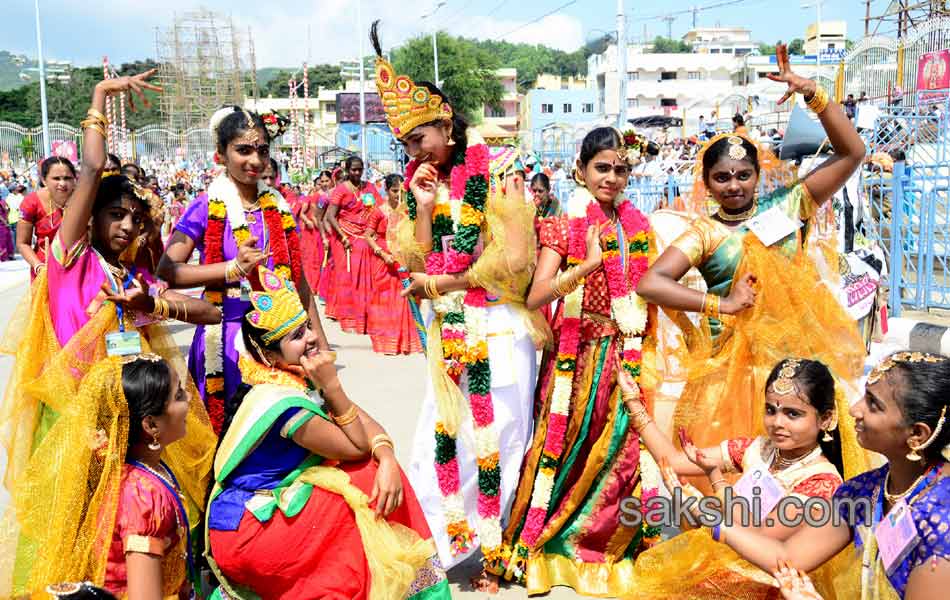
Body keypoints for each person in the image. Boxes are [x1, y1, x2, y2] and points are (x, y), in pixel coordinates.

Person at [0, 69, 217, 596]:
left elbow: (208, 315)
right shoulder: (71, 261)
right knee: (68, 531)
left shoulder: (129, 278)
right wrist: (100, 96)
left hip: (131, 419)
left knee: (125, 530)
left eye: (136, 220)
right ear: (88, 216)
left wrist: (155, 302)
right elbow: (93, 165)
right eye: (115, 214)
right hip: (75, 421)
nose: (125, 226)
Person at [371, 22, 548, 590]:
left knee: (500, 438)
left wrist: (447, 285)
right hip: (449, 331)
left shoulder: (495, 172)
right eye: (404, 146)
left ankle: (491, 549)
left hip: (499, 322)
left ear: (446, 122)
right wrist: (423, 205)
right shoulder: (421, 183)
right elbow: (418, 259)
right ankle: (443, 548)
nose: (414, 153)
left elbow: (516, 261)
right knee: (438, 442)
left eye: (419, 140)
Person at [635, 45, 869, 472]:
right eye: (721, 177)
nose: (734, 185)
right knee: (735, 487)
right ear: (706, 183)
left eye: (743, 175)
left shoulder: (789, 206)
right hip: (730, 380)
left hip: (796, 370)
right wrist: (722, 305)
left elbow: (853, 153)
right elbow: (651, 283)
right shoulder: (704, 233)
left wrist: (813, 93)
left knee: (806, 479)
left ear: (758, 176)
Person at [204, 267, 451, 599]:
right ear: (269, 356)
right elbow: (356, 446)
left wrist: (389, 456)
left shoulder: (287, 377)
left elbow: (365, 424)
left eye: (306, 326)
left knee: (379, 474)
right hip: (249, 531)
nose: (311, 338)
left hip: (258, 516)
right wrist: (332, 385)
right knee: (365, 482)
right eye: (296, 337)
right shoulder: (284, 404)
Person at [492, 127, 658, 595]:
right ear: (581, 171)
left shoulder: (639, 227)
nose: (611, 177)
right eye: (601, 167)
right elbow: (536, 295)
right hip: (578, 355)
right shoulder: (565, 227)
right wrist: (584, 267)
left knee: (620, 456)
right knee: (563, 450)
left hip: (625, 354)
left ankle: (609, 547)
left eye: (620, 169)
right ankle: (544, 546)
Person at [712, 351, 950, 600]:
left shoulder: (942, 520)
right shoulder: (866, 490)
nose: (854, 410)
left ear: (917, 434)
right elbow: (789, 557)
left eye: (873, 404)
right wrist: (714, 523)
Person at [157, 105, 330, 434]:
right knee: (232, 433)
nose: (255, 160)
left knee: (285, 431)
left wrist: (318, 342)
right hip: (228, 338)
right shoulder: (207, 205)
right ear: (220, 155)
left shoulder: (277, 206)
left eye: (262, 150)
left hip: (281, 338)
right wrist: (231, 269)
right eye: (243, 150)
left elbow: (299, 283)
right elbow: (168, 269)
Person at [623, 358, 854, 599]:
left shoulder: (820, 482)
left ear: (825, 419)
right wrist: (633, 402)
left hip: (771, 587)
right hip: (721, 566)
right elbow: (672, 460)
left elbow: (758, 538)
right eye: (770, 410)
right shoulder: (759, 449)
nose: (777, 423)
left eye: (792, 414)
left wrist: (712, 484)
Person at [0, 355, 196, 598]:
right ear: (151, 426)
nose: (188, 399)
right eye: (178, 395)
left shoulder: (145, 469)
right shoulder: (143, 496)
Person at [364, 173, 423, 355]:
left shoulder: (407, 210)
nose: (398, 194)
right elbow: (368, 235)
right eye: (394, 190)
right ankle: (388, 341)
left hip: (403, 258)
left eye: (400, 190)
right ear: (387, 190)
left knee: (405, 297)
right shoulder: (379, 211)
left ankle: (407, 341)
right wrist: (381, 253)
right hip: (384, 260)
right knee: (386, 299)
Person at [323, 155, 381, 333]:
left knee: (367, 278)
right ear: (347, 170)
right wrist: (342, 237)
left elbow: (380, 207)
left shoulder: (369, 187)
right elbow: (330, 216)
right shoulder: (341, 190)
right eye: (354, 169)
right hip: (345, 240)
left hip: (365, 238)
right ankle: (349, 318)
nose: (357, 172)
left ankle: (365, 317)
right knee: (348, 278)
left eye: (360, 169)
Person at [17, 156, 76, 279]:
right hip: (44, 269)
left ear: (74, 179)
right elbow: (23, 243)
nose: (62, 183)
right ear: (44, 180)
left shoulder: (82, 200)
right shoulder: (32, 202)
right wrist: (37, 265)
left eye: (67, 178)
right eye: (56, 178)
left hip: (77, 266)